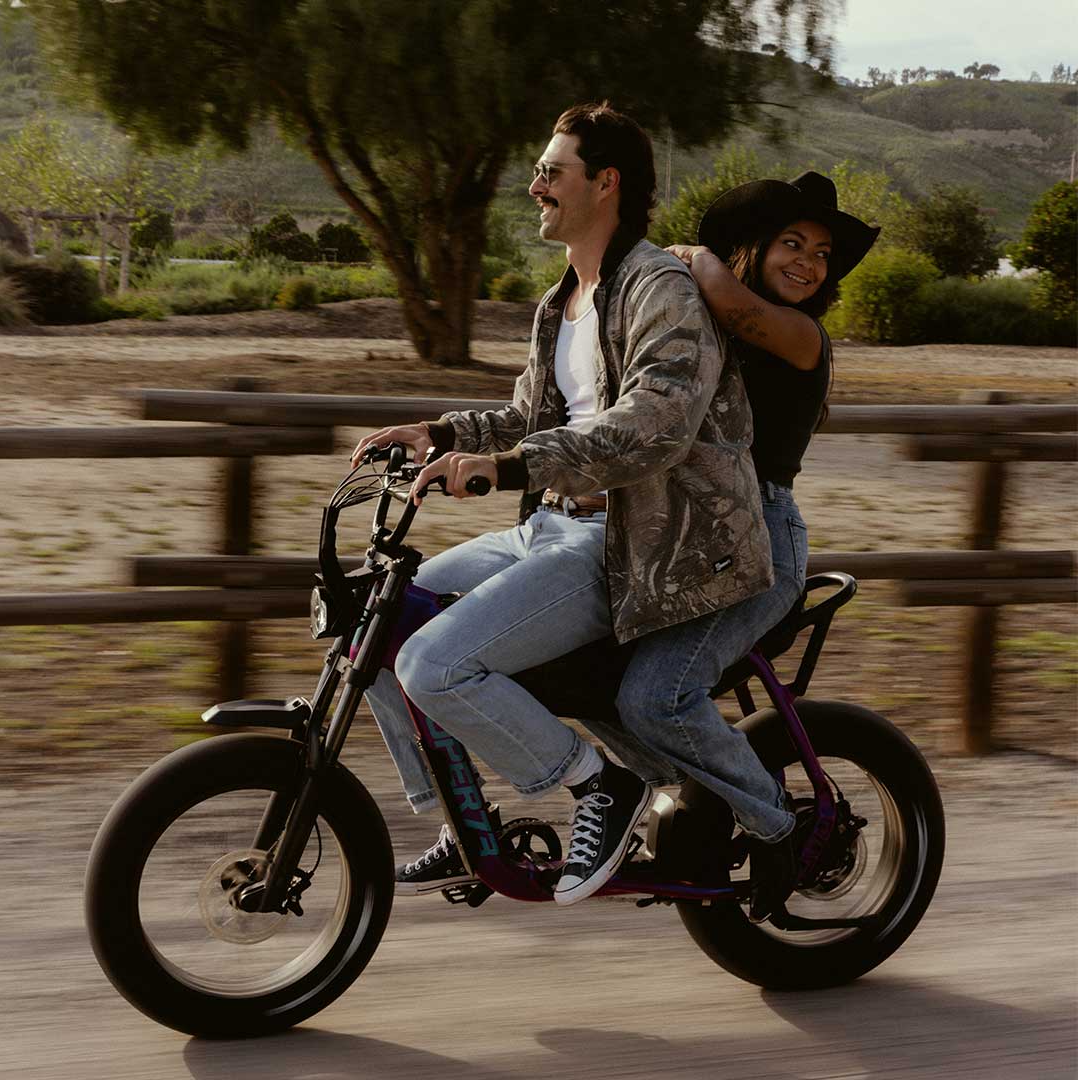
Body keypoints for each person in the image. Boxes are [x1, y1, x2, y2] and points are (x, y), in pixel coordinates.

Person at [353, 103, 773, 906]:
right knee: (372, 615)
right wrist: (436, 432)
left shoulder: (659, 287)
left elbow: (656, 421)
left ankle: (597, 788)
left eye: (553, 170)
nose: (536, 184)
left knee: (433, 664)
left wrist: (509, 468)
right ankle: (460, 816)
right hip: (551, 526)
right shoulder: (563, 302)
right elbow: (528, 417)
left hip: (631, 541)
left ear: (605, 183)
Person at [604, 170, 881, 922]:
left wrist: (690, 256)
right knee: (593, 684)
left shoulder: (801, 336)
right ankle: (685, 811)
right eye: (793, 243)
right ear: (753, 249)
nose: (809, 262)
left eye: (822, 253)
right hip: (681, 540)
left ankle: (781, 830)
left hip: (761, 544)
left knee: (655, 697)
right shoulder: (706, 329)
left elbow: (729, 301)